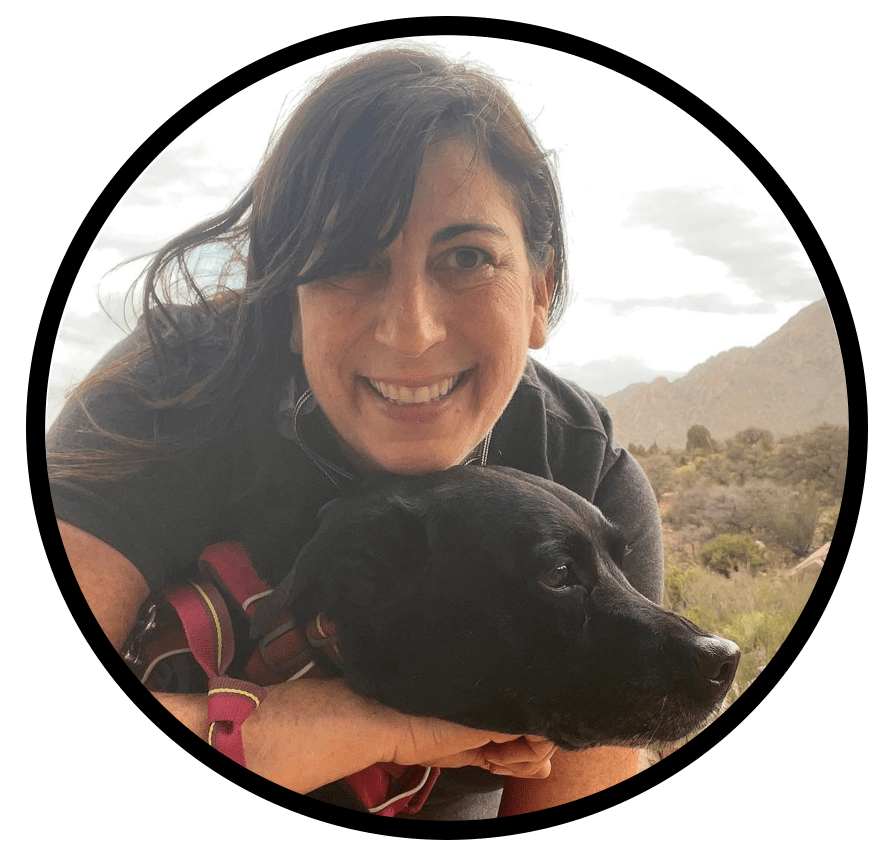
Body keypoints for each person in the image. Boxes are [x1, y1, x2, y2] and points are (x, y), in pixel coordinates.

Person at [47, 44, 663, 820]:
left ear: (540, 292)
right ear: (285, 304)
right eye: (348, 261)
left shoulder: (578, 471)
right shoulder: (166, 397)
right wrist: (345, 730)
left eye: (466, 256)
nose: (411, 331)